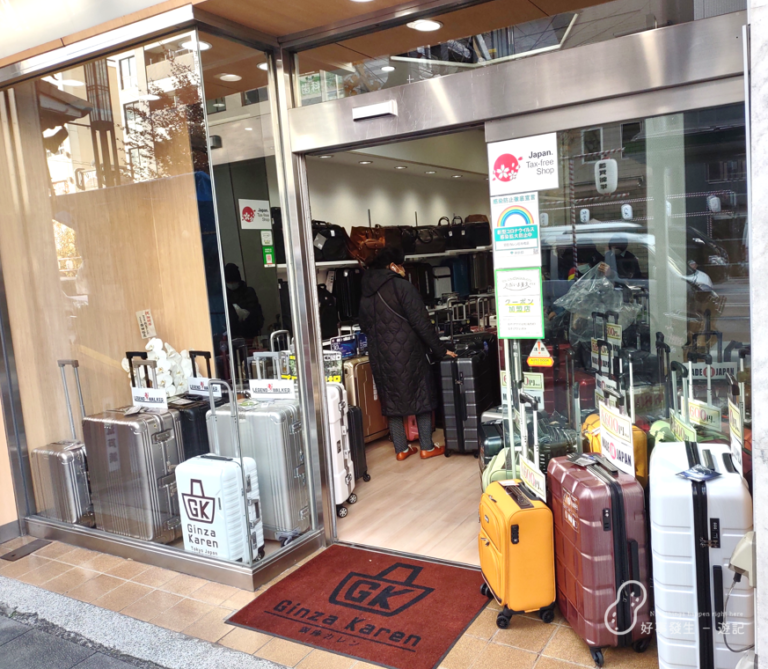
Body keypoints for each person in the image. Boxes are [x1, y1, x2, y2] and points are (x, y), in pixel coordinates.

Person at [358, 247, 457, 461]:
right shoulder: (402, 287)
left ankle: (401, 449)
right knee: (421, 394)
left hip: (380, 355)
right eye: (400, 264)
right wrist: (441, 351)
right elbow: (422, 324)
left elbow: (364, 326)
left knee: (391, 400)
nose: (402, 268)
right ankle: (427, 447)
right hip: (409, 352)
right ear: (392, 266)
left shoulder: (366, 293)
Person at [224, 263, 264, 340]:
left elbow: (257, 318)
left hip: (249, 335)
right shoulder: (224, 295)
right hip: (231, 336)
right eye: (229, 282)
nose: (232, 284)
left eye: (233, 282)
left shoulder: (249, 292)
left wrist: (245, 314)